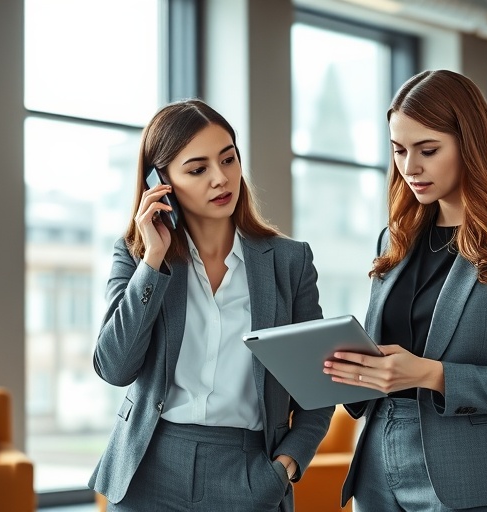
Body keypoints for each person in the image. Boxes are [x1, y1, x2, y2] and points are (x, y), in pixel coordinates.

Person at [323, 69, 487, 511]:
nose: (410, 167)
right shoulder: (394, 238)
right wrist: (343, 368)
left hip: (464, 469)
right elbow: (382, 358)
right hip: (377, 458)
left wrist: (427, 373)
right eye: (399, 150)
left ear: (470, 143)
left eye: (428, 150)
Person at [88, 99, 333, 512]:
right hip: (150, 466)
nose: (221, 179)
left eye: (228, 159)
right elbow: (114, 368)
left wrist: (287, 464)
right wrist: (153, 262)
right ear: (159, 182)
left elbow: (319, 382)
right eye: (198, 169)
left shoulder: (290, 262)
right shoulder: (134, 254)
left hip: (248, 470)